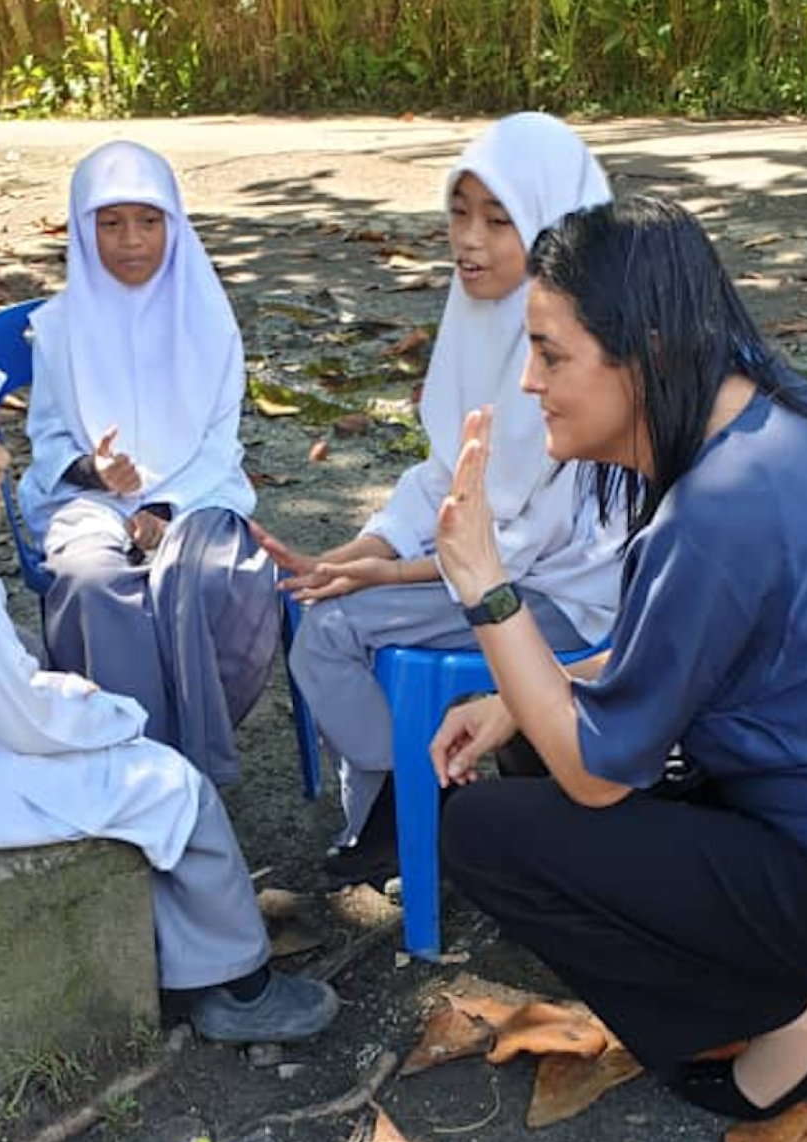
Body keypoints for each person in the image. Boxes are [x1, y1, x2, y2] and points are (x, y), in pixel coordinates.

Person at [431, 195, 807, 1121]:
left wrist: (484, 586)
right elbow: (708, 640)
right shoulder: (782, 418)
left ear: (650, 351)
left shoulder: (718, 506)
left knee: (481, 833)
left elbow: (593, 779)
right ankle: (776, 975)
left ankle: (795, 1022)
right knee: (529, 731)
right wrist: (528, 690)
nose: (530, 383)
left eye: (551, 354)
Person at [0, 330, 339, 1045]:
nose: (3, 461)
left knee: (122, 768)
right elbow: (23, 720)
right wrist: (118, 716)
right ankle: (237, 986)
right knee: (171, 785)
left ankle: (183, 948)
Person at [252, 113, 626, 882]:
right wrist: (363, 549)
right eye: (459, 213)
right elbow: (444, 474)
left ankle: (416, 804)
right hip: (498, 568)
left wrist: (383, 579)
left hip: (568, 594)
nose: (469, 241)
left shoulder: (573, 351)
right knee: (319, 604)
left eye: (498, 219)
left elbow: (522, 545)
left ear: (557, 226)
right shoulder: (483, 313)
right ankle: (424, 793)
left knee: (329, 632)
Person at [17, 140, 278, 786]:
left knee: (214, 582)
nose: (131, 240)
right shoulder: (56, 330)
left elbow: (222, 442)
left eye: (148, 220)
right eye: (109, 223)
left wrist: (166, 508)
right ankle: (134, 764)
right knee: (88, 579)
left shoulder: (211, 325)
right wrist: (92, 472)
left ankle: (186, 766)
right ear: (82, 230)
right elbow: (47, 440)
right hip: (91, 505)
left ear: (174, 225)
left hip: (198, 500)